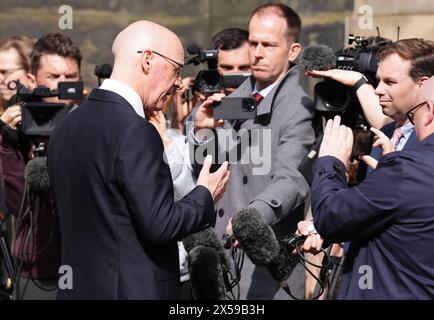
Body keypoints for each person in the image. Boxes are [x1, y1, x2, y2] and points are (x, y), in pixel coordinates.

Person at [47, 20, 230, 300]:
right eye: (177, 69)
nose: (179, 82)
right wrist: (204, 195)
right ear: (147, 60)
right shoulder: (135, 129)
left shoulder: (65, 127)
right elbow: (161, 225)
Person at [190, 3, 315, 299]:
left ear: (293, 50)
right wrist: (201, 131)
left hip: (263, 270)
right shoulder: (237, 96)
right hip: (219, 262)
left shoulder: (298, 105)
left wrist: (251, 218)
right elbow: (204, 172)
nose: (258, 52)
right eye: (254, 43)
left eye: (269, 45)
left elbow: (292, 179)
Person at [298, 75, 434, 299]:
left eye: (413, 114)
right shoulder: (409, 173)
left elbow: (330, 215)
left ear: (428, 110)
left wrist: (331, 162)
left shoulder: (409, 171)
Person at [0, 33, 82, 300]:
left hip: (87, 268)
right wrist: (9, 143)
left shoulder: (90, 124)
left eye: (70, 77)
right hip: (36, 272)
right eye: (54, 77)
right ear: (32, 81)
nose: (62, 84)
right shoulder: (18, 131)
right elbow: (19, 206)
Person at [307, 38, 434, 161]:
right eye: (378, 80)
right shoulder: (390, 131)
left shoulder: (427, 140)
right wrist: (358, 81)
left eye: (390, 82)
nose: (378, 90)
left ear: (422, 84)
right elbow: (383, 121)